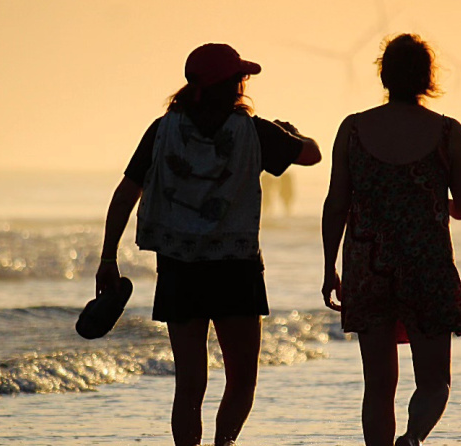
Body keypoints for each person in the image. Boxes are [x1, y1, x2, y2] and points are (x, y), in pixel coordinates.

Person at [95, 43, 321, 446]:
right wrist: (292, 133)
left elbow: (126, 192)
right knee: (241, 380)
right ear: (232, 85)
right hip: (236, 267)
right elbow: (312, 155)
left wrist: (108, 257)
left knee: (189, 384)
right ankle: (224, 444)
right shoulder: (255, 132)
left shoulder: (163, 131)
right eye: (240, 78)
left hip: (179, 267)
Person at [321, 34, 461, 446]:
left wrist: (329, 268)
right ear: (428, 77)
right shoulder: (447, 132)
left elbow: (336, 204)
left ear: (384, 75)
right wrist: (434, 203)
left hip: (366, 267)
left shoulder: (353, 129)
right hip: (427, 266)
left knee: (377, 386)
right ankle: (411, 439)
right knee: (434, 381)